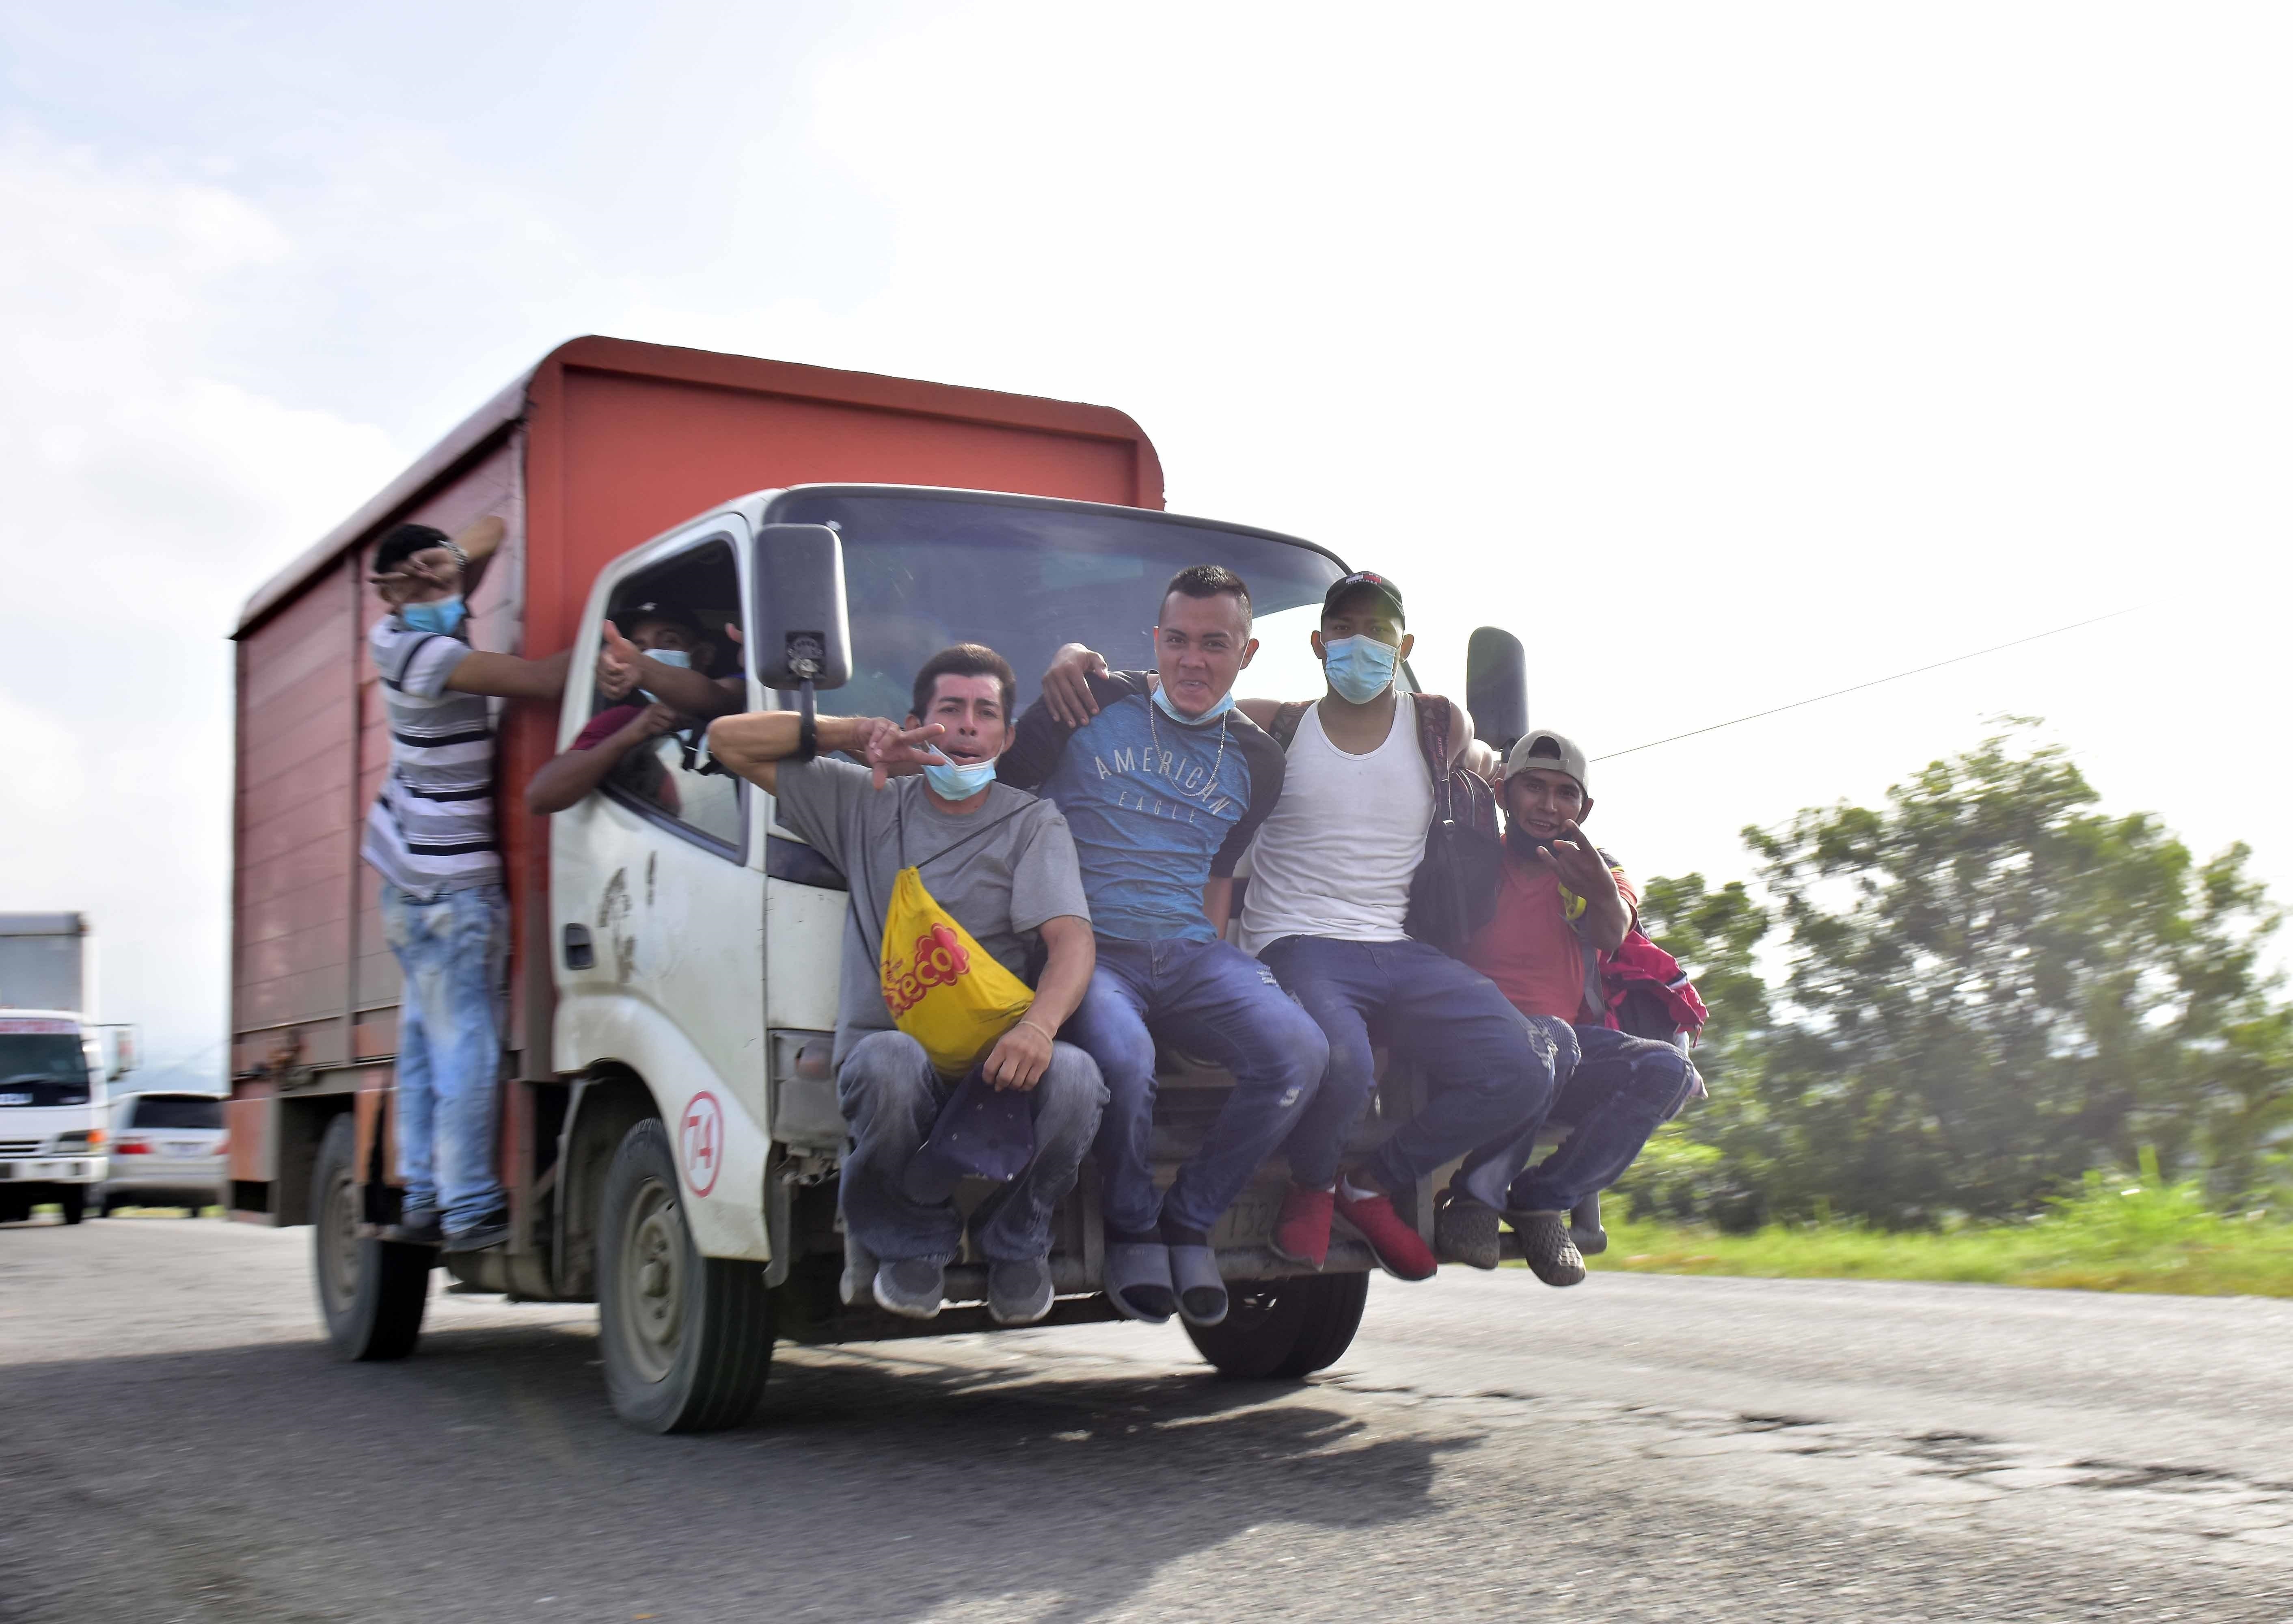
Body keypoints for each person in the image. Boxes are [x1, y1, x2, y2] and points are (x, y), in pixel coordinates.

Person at [708, 644, 1104, 1327]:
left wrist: (1037, 1029)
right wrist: (850, 734)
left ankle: (1018, 1240)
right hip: (895, 1051)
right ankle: (910, 1240)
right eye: (950, 709)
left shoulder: (1031, 821)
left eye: (986, 713)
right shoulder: (865, 803)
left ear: (1008, 738)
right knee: (887, 1064)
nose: (968, 725)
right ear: (918, 721)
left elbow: (1072, 943)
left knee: (1076, 1077)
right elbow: (725, 743)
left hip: (996, 1058)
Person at [1006, 565, 1328, 1329]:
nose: (1193, 660)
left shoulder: (1259, 761)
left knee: (1299, 1053)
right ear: (1155, 641)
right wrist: (1067, 657)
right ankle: (1130, 1225)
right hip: (1088, 947)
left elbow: (1219, 872)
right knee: (1125, 1058)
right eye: (1177, 640)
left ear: (1245, 655)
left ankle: (1190, 1220)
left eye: (1214, 645)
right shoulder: (1088, 701)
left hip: (1189, 951)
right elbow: (1000, 795)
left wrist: (1216, 984)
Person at [1222, 571, 1559, 1280]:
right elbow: (1169, 699)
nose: (1359, 646)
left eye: (1378, 632)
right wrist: (1080, 661)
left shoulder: (1438, 724)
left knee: (1524, 1067)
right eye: (1343, 631)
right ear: (1317, 644)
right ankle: (1312, 1186)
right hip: (1296, 941)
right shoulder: (1271, 722)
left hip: (1399, 947)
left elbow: (1477, 765)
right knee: (1340, 1061)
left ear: (1403, 645)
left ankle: (1370, 1186)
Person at [363, 516, 570, 1254]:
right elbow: (544, 681)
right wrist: (634, 655)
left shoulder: (397, 631)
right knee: (468, 1048)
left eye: (437, 572)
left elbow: (480, 543)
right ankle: (470, 1206)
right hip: (453, 885)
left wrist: (443, 562)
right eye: (412, 578)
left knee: (422, 1046)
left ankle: (423, 1194)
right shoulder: (425, 651)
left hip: (407, 876)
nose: (432, 584)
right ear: (387, 593)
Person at [1448, 729, 1693, 1286]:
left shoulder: (1596, 868)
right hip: (1465, 1043)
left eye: (1566, 794)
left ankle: (1542, 1200)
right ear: (1505, 793)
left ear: (1585, 807)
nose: (1549, 805)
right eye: (1534, 788)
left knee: (1667, 1070)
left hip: (1561, 1047)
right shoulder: (1468, 855)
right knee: (1547, 1043)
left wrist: (1601, 890)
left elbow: (1611, 932)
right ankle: (1473, 1202)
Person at [525, 602, 738, 816]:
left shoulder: (737, 692)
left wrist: (641, 667)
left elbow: (718, 698)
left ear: (704, 655)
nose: (651, 655)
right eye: (641, 649)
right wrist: (634, 732)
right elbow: (540, 797)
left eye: (669, 642)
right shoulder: (623, 719)